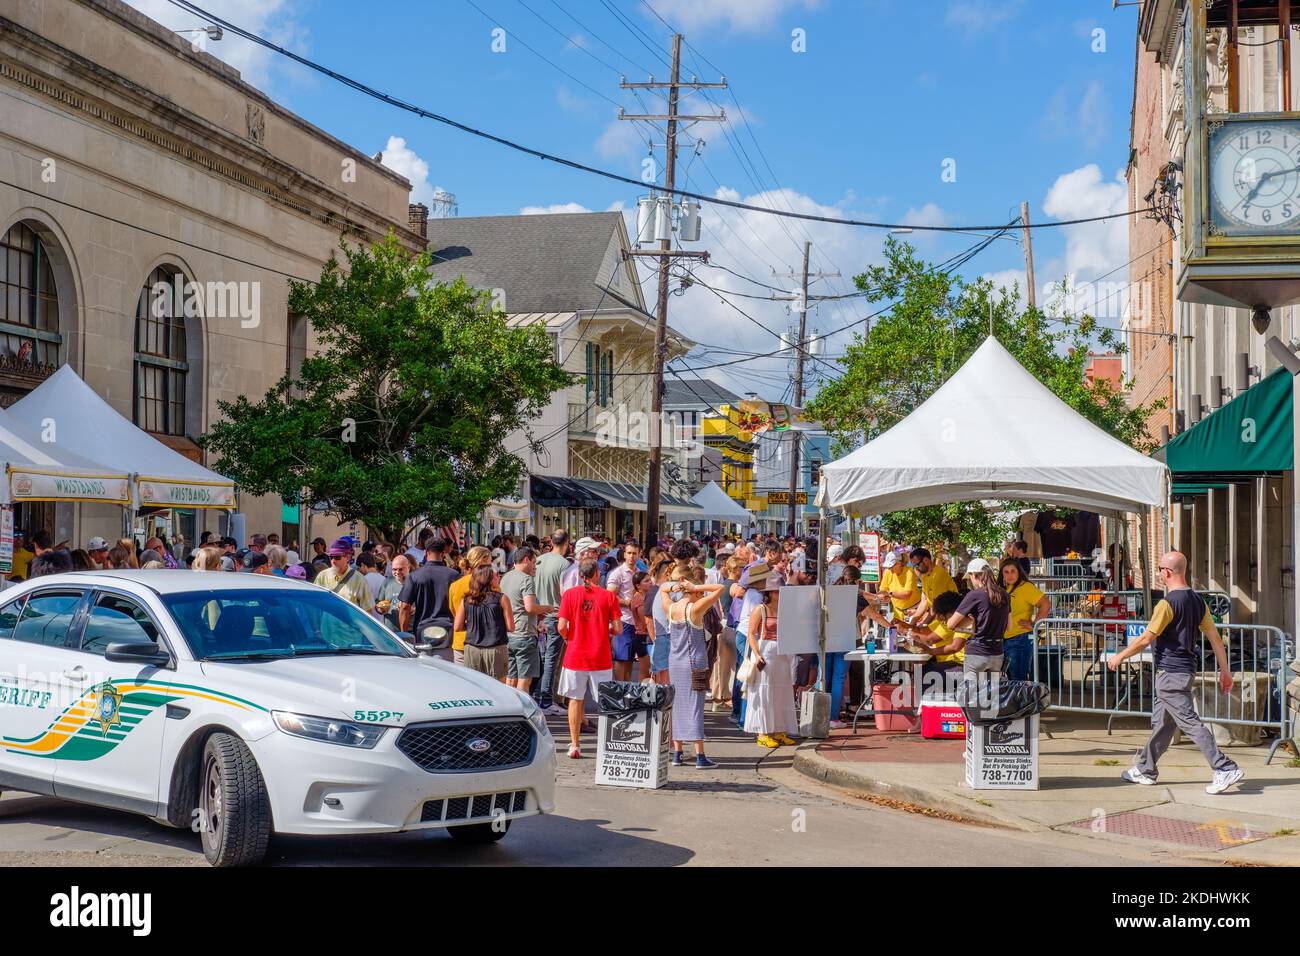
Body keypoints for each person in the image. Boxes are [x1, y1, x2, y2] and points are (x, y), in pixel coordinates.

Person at [1109, 551, 1243, 795]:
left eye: (1160, 568)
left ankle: (1224, 767)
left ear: (1167, 572)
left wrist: (1120, 655)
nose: (1160, 572)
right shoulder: (1197, 601)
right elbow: (1215, 637)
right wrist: (1226, 672)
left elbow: (1146, 638)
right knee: (1163, 724)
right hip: (1183, 670)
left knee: (1190, 723)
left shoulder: (1166, 604)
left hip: (1170, 673)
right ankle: (1145, 769)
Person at [556, 558, 621, 760]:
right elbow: (618, 628)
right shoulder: (608, 597)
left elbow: (561, 626)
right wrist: (605, 631)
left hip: (575, 654)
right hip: (600, 654)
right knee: (606, 701)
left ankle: (575, 744)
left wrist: (569, 638)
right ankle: (607, 744)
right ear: (596, 574)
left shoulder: (569, 595)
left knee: (575, 700)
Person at [662, 567, 725, 768]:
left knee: (678, 706)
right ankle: (700, 755)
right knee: (696, 707)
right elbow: (720, 588)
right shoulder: (695, 609)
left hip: (675, 663)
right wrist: (695, 586)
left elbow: (663, 589)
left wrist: (675, 586)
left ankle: (678, 752)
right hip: (694, 662)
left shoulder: (671, 608)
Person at [743, 573, 797, 748]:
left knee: (781, 692)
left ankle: (779, 729)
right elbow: (751, 633)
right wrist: (757, 654)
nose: (781, 594)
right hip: (766, 652)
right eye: (779, 591)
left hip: (782, 653)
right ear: (772, 592)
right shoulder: (761, 609)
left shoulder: (784, 609)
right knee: (763, 691)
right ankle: (762, 732)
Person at [948, 558, 1009, 710]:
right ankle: (990, 729)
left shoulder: (974, 595)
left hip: (976, 652)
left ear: (975, 576)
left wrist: (969, 623)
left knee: (971, 697)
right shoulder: (1004, 594)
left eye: (971, 578)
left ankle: (973, 731)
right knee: (992, 697)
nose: (971, 582)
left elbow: (951, 624)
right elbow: (1009, 626)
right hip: (997, 653)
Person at [898, 590, 969, 698]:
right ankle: (929, 704)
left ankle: (926, 706)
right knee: (923, 668)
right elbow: (924, 634)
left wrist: (930, 650)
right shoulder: (960, 620)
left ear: (950, 613)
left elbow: (954, 647)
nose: (945, 623)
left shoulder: (963, 622)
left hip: (963, 667)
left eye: (944, 619)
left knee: (925, 673)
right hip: (959, 664)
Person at [501, 547, 550, 695]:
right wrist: (547, 608)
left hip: (508, 634)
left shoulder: (505, 577)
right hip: (524, 634)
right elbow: (530, 607)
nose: (535, 567)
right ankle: (523, 712)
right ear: (526, 560)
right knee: (524, 680)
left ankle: (509, 711)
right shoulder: (527, 579)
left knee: (510, 679)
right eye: (534, 562)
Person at [398, 536, 459, 654]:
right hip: (448, 632)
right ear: (444, 553)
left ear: (426, 552)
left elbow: (405, 607)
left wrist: (403, 633)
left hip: (423, 631)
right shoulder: (454, 576)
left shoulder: (415, 576)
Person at [533, 530, 571, 714]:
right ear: (567, 543)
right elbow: (566, 593)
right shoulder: (565, 565)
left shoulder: (540, 560)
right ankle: (546, 699)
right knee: (551, 659)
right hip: (556, 614)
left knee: (542, 657)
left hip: (538, 613)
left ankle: (540, 694)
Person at [455, 565, 513, 681]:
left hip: (472, 649)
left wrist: (473, 625)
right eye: (496, 575)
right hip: (496, 649)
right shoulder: (502, 598)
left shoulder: (466, 600)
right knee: (497, 688)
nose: (499, 577)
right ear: (489, 579)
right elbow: (511, 627)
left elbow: (457, 627)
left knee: (475, 688)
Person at [999, 557, 1049, 681]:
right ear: (1002, 574)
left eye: (1013, 571)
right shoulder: (1005, 588)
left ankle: (1023, 701)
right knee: (1011, 679)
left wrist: (1034, 625)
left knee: (1018, 680)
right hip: (1005, 640)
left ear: (1019, 572)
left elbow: (1046, 605)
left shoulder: (1026, 587)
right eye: (1006, 572)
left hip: (1020, 639)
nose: (1010, 575)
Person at [606, 541, 647, 682]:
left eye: (635, 553)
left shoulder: (640, 572)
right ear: (624, 554)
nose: (631, 556)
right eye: (629, 553)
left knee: (629, 660)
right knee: (621, 659)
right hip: (623, 621)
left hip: (638, 622)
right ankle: (619, 690)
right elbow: (609, 597)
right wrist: (628, 602)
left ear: (640, 554)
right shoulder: (617, 573)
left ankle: (627, 691)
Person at [449, 546, 494, 666]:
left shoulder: (455, 585)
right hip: (484, 640)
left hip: (461, 640)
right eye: (490, 561)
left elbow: (453, 610)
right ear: (482, 561)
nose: (491, 564)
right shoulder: (489, 583)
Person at [313, 538, 373, 611]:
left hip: (348, 622)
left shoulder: (359, 580)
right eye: (331, 557)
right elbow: (314, 604)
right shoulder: (322, 576)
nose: (333, 561)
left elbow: (368, 610)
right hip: (326, 622)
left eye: (337, 557)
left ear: (347, 557)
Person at [911, 548, 957, 625]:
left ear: (926, 560)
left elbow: (936, 606)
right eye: (914, 566)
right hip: (939, 618)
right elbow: (924, 601)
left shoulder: (938, 575)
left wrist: (922, 625)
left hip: (949, 619)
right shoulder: (924, 576)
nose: (916, 569)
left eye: (917, 565)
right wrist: (912, 622)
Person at [376, 554, 409, 630]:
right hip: (391, 633)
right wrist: (380, 609)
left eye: (400, 569)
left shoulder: (415, 583)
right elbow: (378, 603)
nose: (397, 572)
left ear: (408, 568)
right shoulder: (387, 582)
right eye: (394, 569)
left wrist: (414, 609)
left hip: (410, 631)